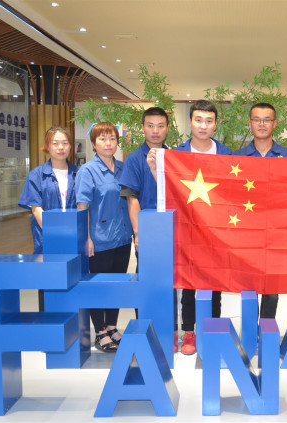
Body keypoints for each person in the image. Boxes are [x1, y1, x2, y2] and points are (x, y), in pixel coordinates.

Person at [150, 100, 232, 355]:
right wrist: (155, 169)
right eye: (198, 120)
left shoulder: (227, 154)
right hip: (186, 230)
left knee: (215, 283)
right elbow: (168, 190)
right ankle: (189, 332)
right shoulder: (177, 155)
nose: (203, 126)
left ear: (215, 124)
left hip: (218, 231)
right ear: (190, 122)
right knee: (188, 283)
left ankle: (212, 329)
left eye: (208, 121)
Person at [118, 106, 178, 351]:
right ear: (143, 128)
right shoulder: (134, 159)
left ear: (167, 128)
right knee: (146, 281)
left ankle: (169, 330)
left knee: (170, 281)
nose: (155, 131)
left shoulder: (174, 157)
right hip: (148, 233)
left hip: (172, 230)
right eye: (150, 126)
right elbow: (132, 198)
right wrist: (138, 233)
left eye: (160, 126)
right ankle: (144, 329)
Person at [76, 122, 133, 352]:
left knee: (117, 285)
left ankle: (112, 326)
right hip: (99, 240)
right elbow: (82, 206)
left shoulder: (123, 168)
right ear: (93, 144)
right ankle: (100, 331)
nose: (108, 143)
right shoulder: (87, 171)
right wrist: (86, 238)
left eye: (112, 138)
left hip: (122, 238)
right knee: (99, 287)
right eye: (102, 139)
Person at [234, 102, 287, 320]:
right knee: (248, 285)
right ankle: (250, 330)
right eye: (257, 120)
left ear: (275, 123)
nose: (262, 124)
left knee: (271, 287)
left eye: (267, 120)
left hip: (277, 231)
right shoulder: (237, 158)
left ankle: (266, 329)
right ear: (249, 123)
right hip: (247, 231)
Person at [19, 126, 77, 311]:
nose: (60, 147)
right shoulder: (36, 175)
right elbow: (36, 209)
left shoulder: (79, 173)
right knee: (47, 286)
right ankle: (47, 325)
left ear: (71, 146)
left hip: (74, 240)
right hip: (47, 240)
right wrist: (56, 234)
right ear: (47, 146)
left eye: (65, 143)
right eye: (55, 143)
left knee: (73, 286)